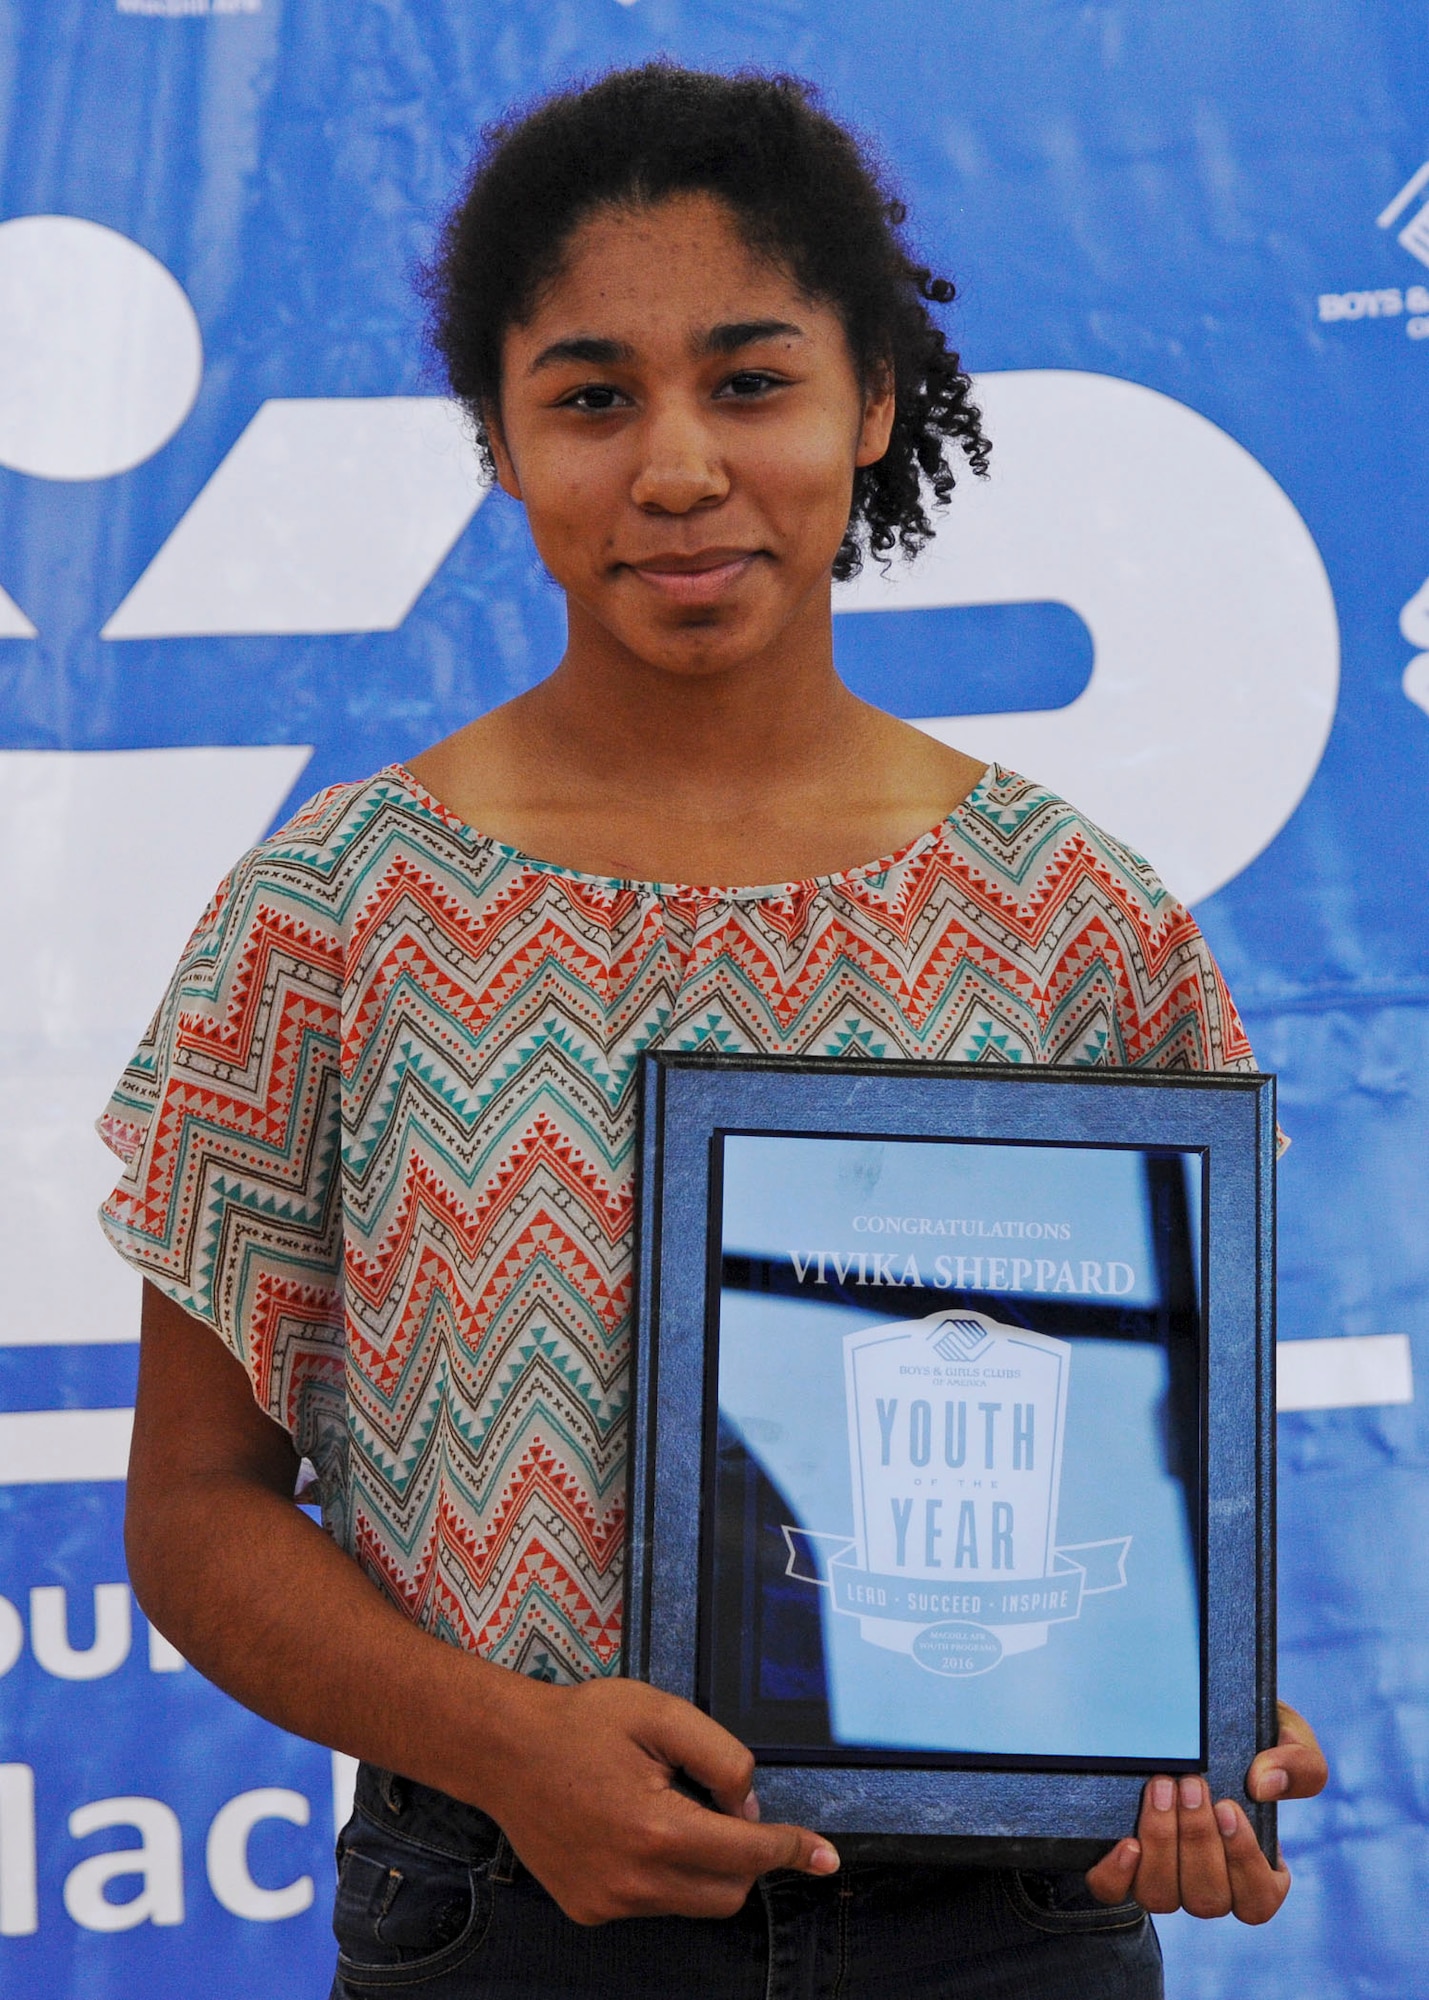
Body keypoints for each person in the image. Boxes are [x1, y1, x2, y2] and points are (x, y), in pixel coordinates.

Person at [101, 64, 1325, 2000]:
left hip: (998, 1939)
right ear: (501, 443)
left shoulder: (1071, 914)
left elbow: (1141, 1493)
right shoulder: (337, 913)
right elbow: (192, 1507)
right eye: (591, 396)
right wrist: (504, 1741)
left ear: (871, 408)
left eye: (749, 380)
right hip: (508, 1914)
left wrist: (1182, 1732)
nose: (675, 465)